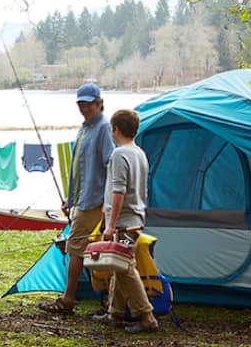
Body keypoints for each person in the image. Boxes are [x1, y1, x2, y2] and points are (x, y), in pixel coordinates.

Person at [37, 82, 115, 314]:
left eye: (89, 103)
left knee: (75, 246)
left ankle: (68, 299)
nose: (84, 108)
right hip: (82, 198)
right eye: (81, 103)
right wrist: (70, 199)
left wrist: (106, 202)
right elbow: (77, 168)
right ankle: (107, 300)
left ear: (99, 103)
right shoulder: (84, 128)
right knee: (86, 246)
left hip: (95, 200)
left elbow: (111, 164)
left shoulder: (103, 127)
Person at [102, 109, 158, 333]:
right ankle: (114, 313)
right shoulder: (139, 153)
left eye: (112, 128)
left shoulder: (119, 154)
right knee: (118, 264)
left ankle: (147, 317)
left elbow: (118, 191)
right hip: (136, 217)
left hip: (124, 222)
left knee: (125, 268)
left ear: (115, 129)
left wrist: (110, 224)